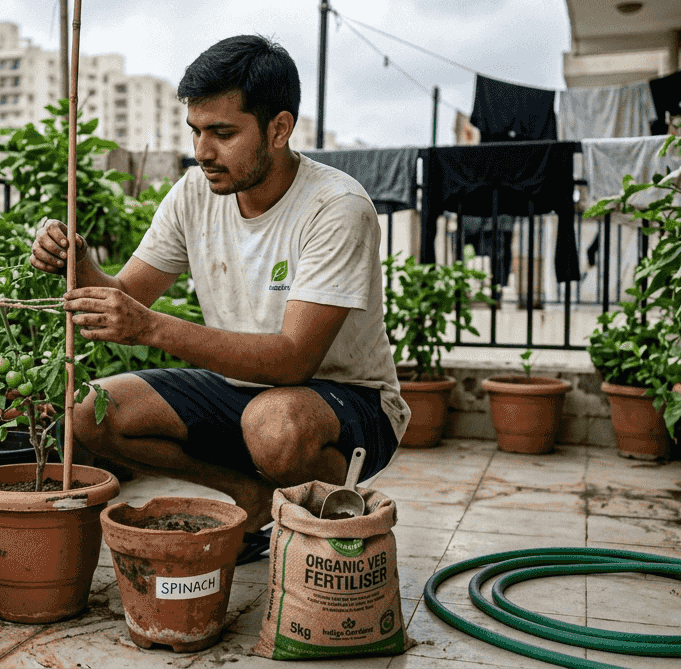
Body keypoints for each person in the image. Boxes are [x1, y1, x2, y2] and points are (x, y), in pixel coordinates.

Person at [31, 35, 409, 556]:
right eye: (196, 131)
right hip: (241, 387)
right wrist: (76, 262)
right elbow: (123, 294)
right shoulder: (194, 193)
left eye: (222, 133)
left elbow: (295, 360)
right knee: (87, 410)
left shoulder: (336, 206)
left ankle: (334, 522)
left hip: (346, 398)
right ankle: (249, 495)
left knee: (274, 427)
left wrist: (151, 327)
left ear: (280, 128)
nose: (202, 152)